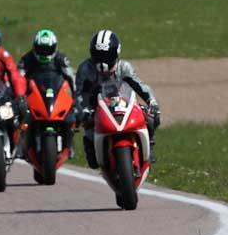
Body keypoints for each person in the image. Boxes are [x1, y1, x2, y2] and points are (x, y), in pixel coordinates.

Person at [76, 29, 161, 169]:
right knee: (89, 135)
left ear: (116, 53)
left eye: (107, 55)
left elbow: (139, 85)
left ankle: (150, 144)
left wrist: (151, 101)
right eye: (98, 56)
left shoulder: (124, 67)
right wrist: (83, 109)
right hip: (96, 108)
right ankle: (93, 149)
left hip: (123, 103)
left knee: (152, 117)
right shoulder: (85, 69)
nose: (102, 62)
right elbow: (79, 93)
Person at [18, 28, 78, 158]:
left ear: (54, 48)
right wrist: (18, 95)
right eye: (41, 49)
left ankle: (69, 143)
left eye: (48, 49)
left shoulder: (61, 59)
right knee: (20, 115)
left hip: (55, 93)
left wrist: (75, 95)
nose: (44, 52)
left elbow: (71, 78)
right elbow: (19, 78)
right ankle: (22, 144)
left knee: (72, 116)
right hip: (34, 93)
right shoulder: (27, 59)